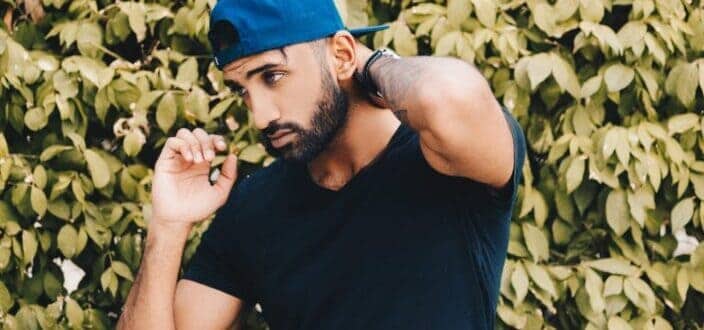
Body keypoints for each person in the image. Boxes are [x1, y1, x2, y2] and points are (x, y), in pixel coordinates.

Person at [116, 0, 527, 329]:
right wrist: (168, 227)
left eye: (273, 76)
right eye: (242, 90)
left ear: (343, 54)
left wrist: (363, 62)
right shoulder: (255, 207)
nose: (260, 116)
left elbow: (448, 98)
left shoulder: (444, 159)